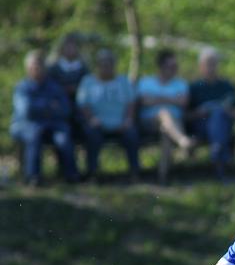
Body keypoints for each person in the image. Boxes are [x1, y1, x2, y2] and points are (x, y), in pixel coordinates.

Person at [10, 50, 78, 185]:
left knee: (63, 138)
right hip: (25, 125)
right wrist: (48, 106)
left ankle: (70, 175)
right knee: (34, 135)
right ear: (28, 68)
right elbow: (26, 111)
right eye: (34, 67)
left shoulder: (54, 87)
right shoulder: (22, 87)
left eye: (40, 66)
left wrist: (40, 108)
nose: (37, 69)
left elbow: (65, 110)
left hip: (52, 125)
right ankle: (33, 176)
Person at [76, 49, 140, 181]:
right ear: (97, 66)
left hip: (121, 123)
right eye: (103, 64)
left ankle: (135, 172)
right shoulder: (88, 82)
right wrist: (92, 119)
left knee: (132, 134)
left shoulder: (123, 81)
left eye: (109, 64)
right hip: (97, 124)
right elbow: (83, 104)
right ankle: (92, 173)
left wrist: (128, 120)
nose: (106, 67)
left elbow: (131, 103)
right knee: (92, 135)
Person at [188, 47, 235, 178]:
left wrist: (226, 111)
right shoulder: (194, 88)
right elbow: (186, 115)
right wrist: (200, 112)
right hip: (201, 127)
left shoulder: (226, 86)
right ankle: (220, 154)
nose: (211, 67)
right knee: (216, 116)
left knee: (219, 114)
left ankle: (217, 150)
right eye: (208, 64)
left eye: (213, 63)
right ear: (201, 66)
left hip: (224, 125)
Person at [137, 49, 194, 151]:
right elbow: (144, 101)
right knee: (164, 113)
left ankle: (167, 167)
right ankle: (182, 140)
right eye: (171, 66)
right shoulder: (146, 82)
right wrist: (172, 99)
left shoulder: (181, 84)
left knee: (166, 129)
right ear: (161, 67)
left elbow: (183, 102)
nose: (174, 69)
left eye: (175, 66)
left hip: (175, 122)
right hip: (149, 122)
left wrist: (158, 98)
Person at [48, 32, 90, 138]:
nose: (70, 49)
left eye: (73, 46)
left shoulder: (83, 69)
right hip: (59, 108)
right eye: (67, 46)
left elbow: (88, 88)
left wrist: (77, 89)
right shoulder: (53, 68)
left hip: (79, 107)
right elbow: (49, 87)